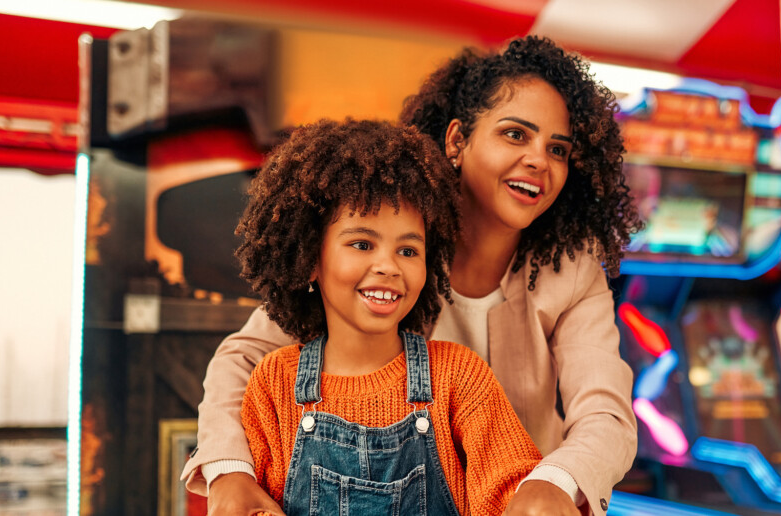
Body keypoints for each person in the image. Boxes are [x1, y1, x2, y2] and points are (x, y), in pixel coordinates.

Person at [181, 36, 643, 516]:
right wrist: (229, 472)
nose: (538, 160)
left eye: (558, 149)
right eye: (515, 134)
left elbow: (604, 414)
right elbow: (243, 359)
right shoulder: (385, 246)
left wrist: (553, 484)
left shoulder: (570, 270)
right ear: (457, 141)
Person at [233, 119, 542, 515]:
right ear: (310, 258)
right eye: (362, 243)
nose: (389, 266)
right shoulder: (273, 384)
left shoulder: (459, 376)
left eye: (408, 251)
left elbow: (513, 489)